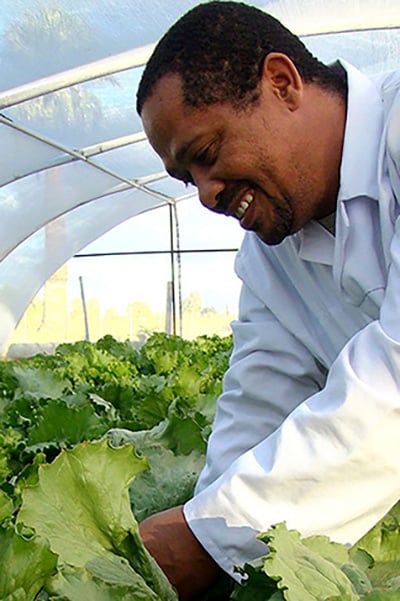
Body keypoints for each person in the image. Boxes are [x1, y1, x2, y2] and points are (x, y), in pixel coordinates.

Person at [136, 2, 400, 599]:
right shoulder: (269, 252)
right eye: (187, 180)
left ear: (281, 83)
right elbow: (257, 405)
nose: (205, 196)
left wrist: (208, 538)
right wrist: (203, 525)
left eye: (204, 155)